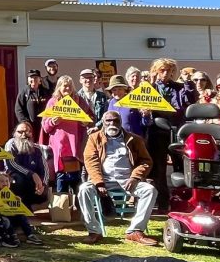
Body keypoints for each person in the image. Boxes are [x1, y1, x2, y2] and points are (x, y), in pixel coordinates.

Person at [77, 111, 158, 246]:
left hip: (128, 180)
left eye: (115, 121)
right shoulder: (94, 138)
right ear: (103, 122)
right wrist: (98, 182)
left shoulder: (134, 139)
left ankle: (135, 231)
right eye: (108, 121)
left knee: (150, 190)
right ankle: (94, 231)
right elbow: (90, 161)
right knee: (83, 189)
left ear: (120, 122)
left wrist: (135, 177)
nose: (112, 124)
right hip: (103, 181)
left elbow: (146, 161)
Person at [145, 58, 198, 197]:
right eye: (162, 70)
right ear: (156, 71)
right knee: (159, 168)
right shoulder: (150, 86)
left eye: (169, 70)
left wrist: (188, 81)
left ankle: (183, 197)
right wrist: (150, 83)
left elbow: (191, 100)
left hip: (176, 130)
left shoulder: (179, 87)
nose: (165, 73)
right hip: (157, 132)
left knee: (181, 165)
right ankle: (163, 200)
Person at [40, 76, 94, 195]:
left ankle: (79, 209)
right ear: (59, 87)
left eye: (70, 85)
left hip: (76, 144)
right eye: (65, 85)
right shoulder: (52, 102)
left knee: (76, 178)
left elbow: (91, 118)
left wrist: (86, 122)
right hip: (59, 146)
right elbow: (45, 127)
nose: (67, 88)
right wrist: (52, 122)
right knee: (61, 177)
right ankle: (62, 209)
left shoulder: (79, 100)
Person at [4, 121, 49, 212]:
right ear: (14, 133)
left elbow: (45, 169)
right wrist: (31, 174)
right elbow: (12, 164)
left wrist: (43, 184)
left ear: (31, 133)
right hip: (15, 178)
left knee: (44, 191)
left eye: (27, 131)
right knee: (18, 180)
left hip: (32, 182)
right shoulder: (10, 144)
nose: (24, 135)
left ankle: (30, 205)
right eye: (20, 132)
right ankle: (22, 207)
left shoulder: (37, 148)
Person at [15, 69, 51, 137]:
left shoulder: (46, 92)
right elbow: (18, 109)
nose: (33, 79)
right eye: (31, 77)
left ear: (40, 79)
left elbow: (51, 106)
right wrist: (25, 122)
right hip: (29, 127)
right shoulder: (24, 92)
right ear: (28, 80)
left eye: (35, 77)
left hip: (44, 126)